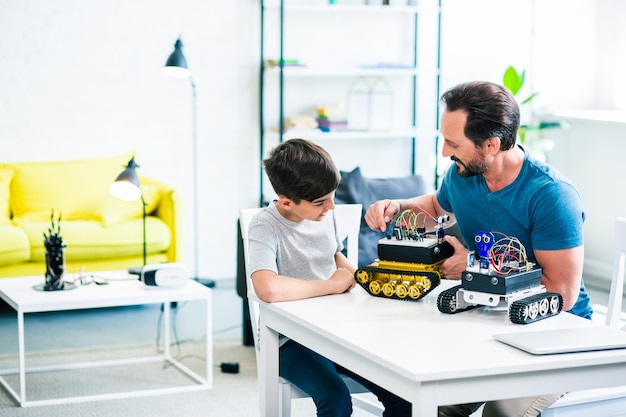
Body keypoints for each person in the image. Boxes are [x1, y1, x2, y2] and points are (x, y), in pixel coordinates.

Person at [364, 81, 592, 417]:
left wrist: (472, 267)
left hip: (556, 338)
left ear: (491, 144)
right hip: (489, 326)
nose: (444, 152)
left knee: (498, 412)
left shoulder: (551, 196)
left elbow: (562, 293)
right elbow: (435, 205)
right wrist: (397, 206)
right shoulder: (463, 173)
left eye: (453, 143)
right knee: (421, 404)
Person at [247, 138, 411, 417]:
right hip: (288, 342)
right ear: (286, 202)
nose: (332, 207)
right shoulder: (265, 225)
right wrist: (331, 285)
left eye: (333, 195)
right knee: (335, 400)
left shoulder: (324, 215)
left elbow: (334, 257)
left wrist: (362, 277)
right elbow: (268, 288)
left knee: (403, 396)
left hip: (336, 330)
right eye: (321, 202)